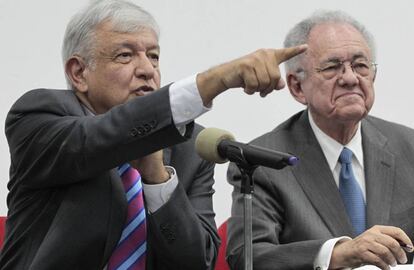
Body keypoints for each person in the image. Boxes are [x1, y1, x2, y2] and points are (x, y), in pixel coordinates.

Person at [0, 0, 306, 269]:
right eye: (125, 56)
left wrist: (156, 175)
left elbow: (198, 263)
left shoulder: (189, 148)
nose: (147, 69)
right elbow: (101, 137)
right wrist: (217, 80)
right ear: (79, 73)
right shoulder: (39, 116)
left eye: (154, 56)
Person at [226, 10, 414, 270]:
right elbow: (247, 257)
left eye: (360, 65)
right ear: (297, 86)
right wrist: (336, 254)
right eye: (332, 66)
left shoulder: (408, 147)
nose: (350, 78)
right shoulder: (264, 161)